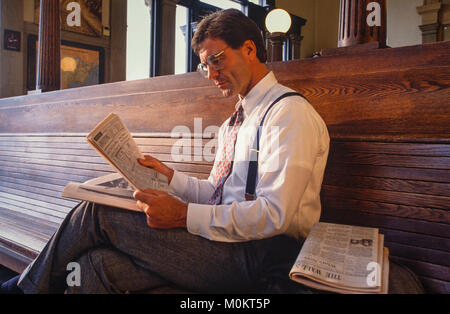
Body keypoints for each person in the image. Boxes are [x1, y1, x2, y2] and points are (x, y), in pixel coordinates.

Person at [0, 8, 329, 294]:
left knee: (98, 214)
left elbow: (276, 215)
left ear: (249, 49)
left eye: (217, 60)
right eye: (205, 66)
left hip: (258, 256)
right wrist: (169, 177)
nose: (211, 74)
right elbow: (218, 194)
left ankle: (22, 289)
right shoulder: (235, 122)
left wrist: (183, 215)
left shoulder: (287, 114)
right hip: (224, 245)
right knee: (93, 265)